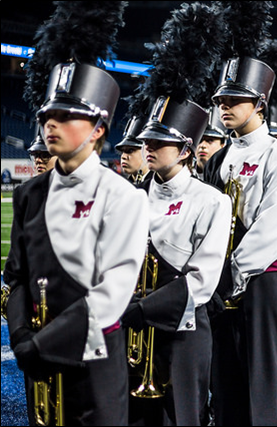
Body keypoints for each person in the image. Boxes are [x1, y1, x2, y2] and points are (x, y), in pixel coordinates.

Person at [5, 4, 146, 426]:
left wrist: (42, 343)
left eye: (66, 116)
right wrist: (20, 340)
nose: (51, 124)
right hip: (37, 354)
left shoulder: (122, 196)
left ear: (99, 128)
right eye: (48, 114)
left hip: (94, 358)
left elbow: (115, 290)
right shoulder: (29, 192)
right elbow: (16, 275)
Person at [203, 4, 277, 425]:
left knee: (264, 386)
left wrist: (231, 273)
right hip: (220, 281)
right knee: (224, 383)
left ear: (259, 104)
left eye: (235, 100)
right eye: (221, 99)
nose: (224, 106)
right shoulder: (220, 156)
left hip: (262, 282)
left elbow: (271, 228)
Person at [123, 95, 231, 427]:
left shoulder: (212, 200)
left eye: (160, 142)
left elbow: (203, 279)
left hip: (184, 330)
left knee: (183, 417)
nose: (148, 148)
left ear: (185, 150)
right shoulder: (131, 197)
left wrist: (143, 308)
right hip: (134, 331)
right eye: (146, 141)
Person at [115, 116, 150, 184]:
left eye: (130, 150)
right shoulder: (123, 186)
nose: (123, 156)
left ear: (147, 151)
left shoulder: (158, 186)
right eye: (122, 151)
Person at [195, 108, 226, 179]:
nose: (202, 145)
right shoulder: (183, 173)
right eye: (199, 140)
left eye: (210, 141)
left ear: (222, 145)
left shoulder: (228, 173)